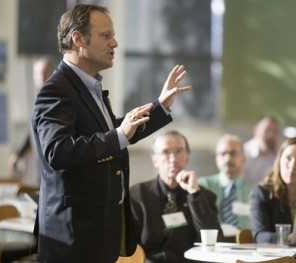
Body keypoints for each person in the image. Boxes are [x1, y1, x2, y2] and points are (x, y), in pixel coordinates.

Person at [31, 4, 191, 263]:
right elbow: (57, 150)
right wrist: (118, 135)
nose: (115, 43)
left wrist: (160, 106)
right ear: (78, 38)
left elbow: (116, 133)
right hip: (72, 240)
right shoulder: (56, 90)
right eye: (106, 35)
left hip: (96, 235)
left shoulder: (89, 86)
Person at [130, 130, 222, 263]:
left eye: (178, 151)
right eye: (166, 152)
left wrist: (194, 194)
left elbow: (214, 239)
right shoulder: (137, 195)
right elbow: (129, 246)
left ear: (187, 157)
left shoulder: (204, 196)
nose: (173, 159)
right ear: (155, 160)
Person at [8, 58, 55, 187]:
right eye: (38, 74)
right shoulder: (39, 98)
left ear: (53, 73)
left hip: (54, 163)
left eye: (45, 72)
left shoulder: (56, 98)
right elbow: (32, 131)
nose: (42, 77)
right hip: (41, 166)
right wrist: (18, 154)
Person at [198, 134, 254, 232]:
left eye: (233, 153)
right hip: (214, 241)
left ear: (244, 159)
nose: (228, 158)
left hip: (246, 242)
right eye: (223, 154)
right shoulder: (203, 185)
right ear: (216, 159)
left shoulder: (254, 190)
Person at [243, 115, 281, 185]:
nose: (271, 135)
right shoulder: (243, 153)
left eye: (274, 131)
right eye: (267, 130)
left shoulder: (282, 155)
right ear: (256, 131)